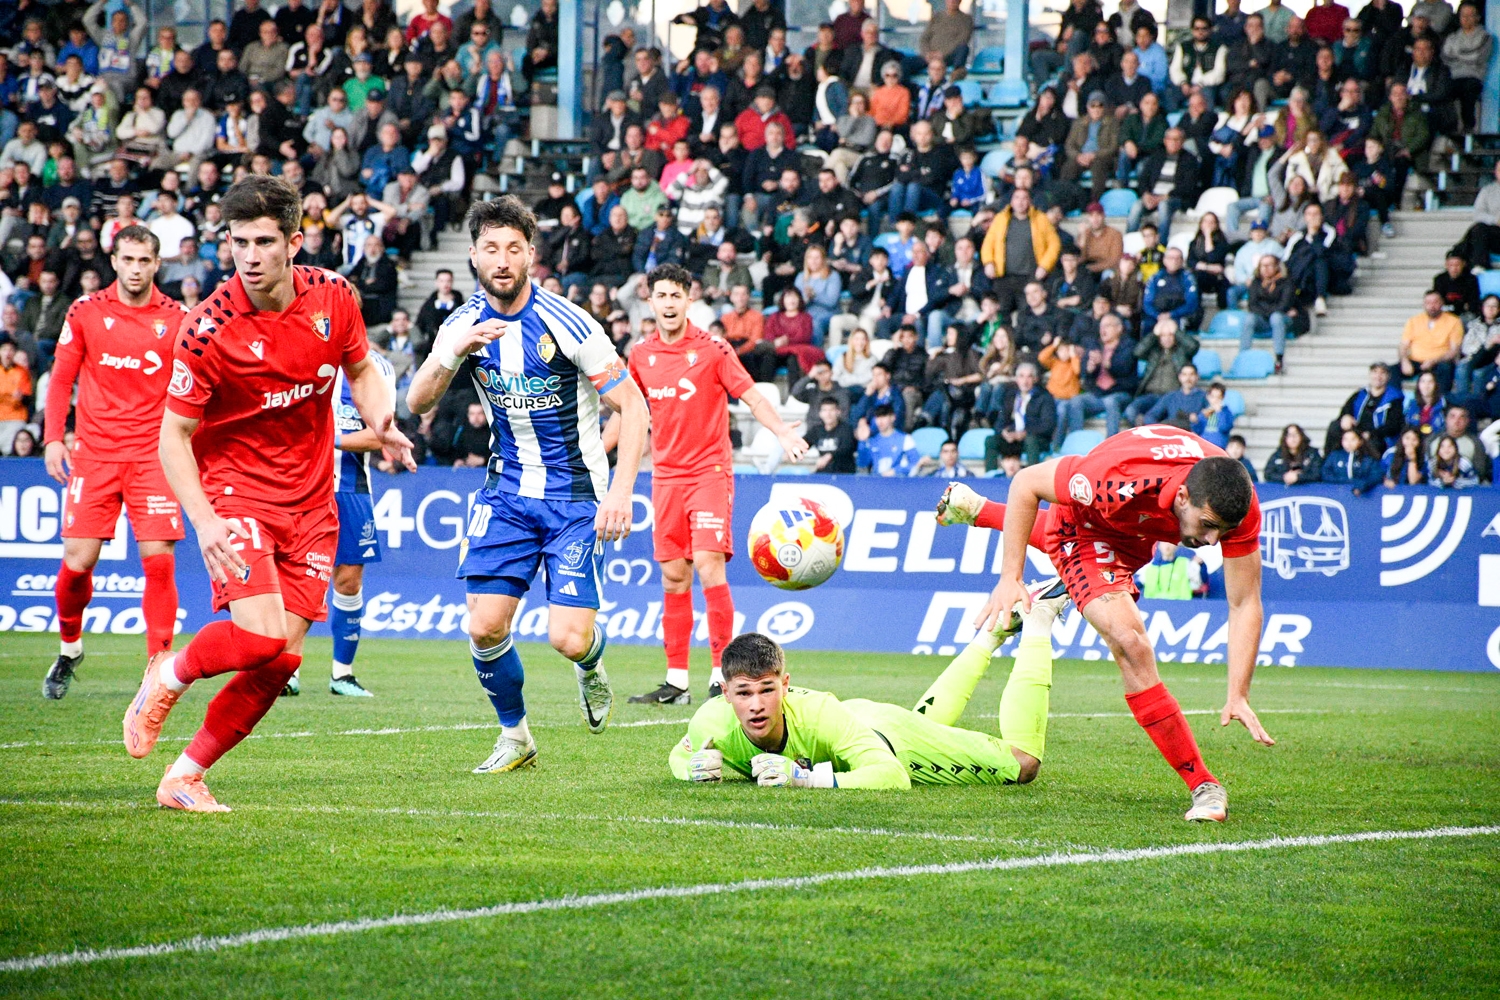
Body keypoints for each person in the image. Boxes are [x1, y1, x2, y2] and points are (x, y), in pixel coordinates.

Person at [122, 177, 415, 812]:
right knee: (256, 639)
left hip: (312, 502)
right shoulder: (208, 329)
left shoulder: (334, 297)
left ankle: (185, 775)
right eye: (238, 242)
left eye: (263, 241)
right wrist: (202, 521)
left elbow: (361, 367)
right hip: (234, 494)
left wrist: (382, 420)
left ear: (294, 242)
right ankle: (167, 673)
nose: (249, 256)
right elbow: (173, 436)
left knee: (279, 662)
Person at [405, 196, 648, 775]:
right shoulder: (461, 323)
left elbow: (633, 407)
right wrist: (452, 354)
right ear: (474, 256)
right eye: (491, 248)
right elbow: (417, 403)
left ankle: (590, 665)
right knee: (484, 626)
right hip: (506, 497)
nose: (503, 259)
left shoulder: (569, 323)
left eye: (514, 248)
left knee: (566, 638)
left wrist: (621, 492)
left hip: (575, 499)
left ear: (532, 256)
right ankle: (516, 736)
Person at [935, 424, 1270, 823]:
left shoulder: (1234, 502)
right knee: (1131, 642)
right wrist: (1011, 578)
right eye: (1209, 525)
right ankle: (1204, 783)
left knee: (1130, 536)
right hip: (1081, 529)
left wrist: (1239, 692)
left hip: (1135, 528)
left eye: (1224, 531)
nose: (1215, 541)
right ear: (1183, 496)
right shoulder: (1113, 479)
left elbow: (1246, 602)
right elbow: (1026, 483)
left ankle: (976, 508)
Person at [624, 264, 806, 706]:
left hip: (709, 473)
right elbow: (629, 415)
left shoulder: (713, 349)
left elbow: (752, 395)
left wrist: (782, 432)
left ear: (690, 300)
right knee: (673, 577)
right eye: (661, 296)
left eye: (676, 296)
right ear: (651, 301)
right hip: (665, 478)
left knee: (707, 564)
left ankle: (719, 675)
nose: (668, 303)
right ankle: (676, 682)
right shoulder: (640, 355)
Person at [673, 587, 1068, 788]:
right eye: (743, 693)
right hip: (859, 721)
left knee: (1023, 764)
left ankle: (1039, 616)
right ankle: (992, 634)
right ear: (725, 694)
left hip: (893, 739)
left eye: (767, 690)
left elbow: (890, 774)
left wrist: (806, 779)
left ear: (786, 686)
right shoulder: (711, 721)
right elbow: (679, 755)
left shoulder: (819, 714)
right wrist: (688, 770)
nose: (756, 704)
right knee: (924, 723)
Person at [38, 227, 186, 698]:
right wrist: (52, 439)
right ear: (114, 260)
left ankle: (157, 674)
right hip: (95, 454)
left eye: (145, 260)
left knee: (159, 562)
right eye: (128, 259)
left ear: (156, 264)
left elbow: (194, 386)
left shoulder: (177, 318)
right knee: (78, 564)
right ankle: (70, 646)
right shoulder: (85, 311)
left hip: (153, 456)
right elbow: (61, 379)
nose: (136, 268)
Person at [302, 344, 399, 700]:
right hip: (300, 484)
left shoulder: (378, 368)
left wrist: (331, 442)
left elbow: (381, 434)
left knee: (347, 580)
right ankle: (286, 671)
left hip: (351, 489)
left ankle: (342, 674)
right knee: (298, 576)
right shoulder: (300, 353)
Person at [1400, 290, 1465, 394]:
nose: (1432, 306)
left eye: (1435, 302)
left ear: (1442, 303)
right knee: (1392, 370)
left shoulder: (1454, 321)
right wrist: (1404, 360)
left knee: (1446, 368)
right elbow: (1403, 345)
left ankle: (1441, 403)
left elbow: (1454, 350)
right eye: (1428, 303)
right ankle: (1394, 404)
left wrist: (1434, 361)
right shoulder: (1413, 321)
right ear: (1424, 304)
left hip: (1439, 362)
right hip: (1416, 362)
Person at [1244, 253, 1294, 372]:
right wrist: (1268, 312)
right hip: (1263, 319)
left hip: (1282, 319)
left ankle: (1279, 358)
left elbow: (1284, 305)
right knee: (1249, 318)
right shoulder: (1256, 283)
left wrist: (1266, 311)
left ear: (1277, 267)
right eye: (1263, 265)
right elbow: (1252, 305)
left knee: (1276, 317)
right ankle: (1243, 356)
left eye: (1269, 265)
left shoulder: (1286, 282)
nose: (1265, 268)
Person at [856, 403, 919, 475]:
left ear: (893, 417)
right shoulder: (872, 441)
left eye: (884, 416)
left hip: (898, 482)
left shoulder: (905, 439)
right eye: (877, 417)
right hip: (876, 482)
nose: (880, 421)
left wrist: (895, 471)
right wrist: (862, 441)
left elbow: (915, 464)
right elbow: (862, 464)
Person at [1322, 427, 1383, 494]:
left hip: (1361, 495)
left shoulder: (1368, 457)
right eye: (1345, 440)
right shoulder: (1334, 455)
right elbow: (1326, 472)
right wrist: (1343, 481)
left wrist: (1362, 484)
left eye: (1353, 440)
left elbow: (1376, 475)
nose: (1349, 443)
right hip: (1337, 492)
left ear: (1360, 441)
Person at [810, 397, 857, 473]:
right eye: (824, 410)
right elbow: (804, 443)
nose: (828, 414)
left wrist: (829, 456)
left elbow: (846, 447)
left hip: (844, 474)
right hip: (824, 474)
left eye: (831, 410)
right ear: (820, 413)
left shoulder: (846, 429)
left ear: (838, 412)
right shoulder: (816, 430)